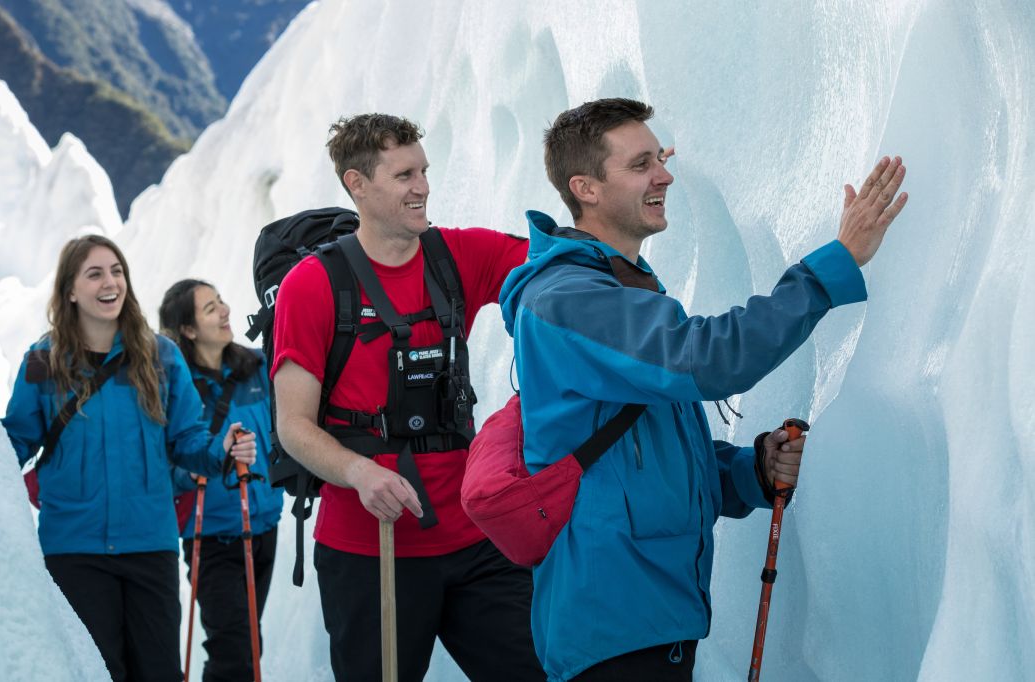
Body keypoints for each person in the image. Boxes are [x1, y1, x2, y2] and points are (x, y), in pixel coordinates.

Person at [500, 98, 907, 681]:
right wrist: (833, 267)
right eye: (641, 164)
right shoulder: (572, 302)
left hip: (648, 618)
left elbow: (640, 462)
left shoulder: (618, 291)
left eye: (659, 158)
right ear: (585, 188)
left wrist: (749, 473)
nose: (664, 174)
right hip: (614, 623)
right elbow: (711, 359)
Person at [271, 113, 544, 680]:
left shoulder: (457, 257)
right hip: (368, 551)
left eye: (423, 170)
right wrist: (360, 473)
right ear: (357, 184)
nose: (422, 186)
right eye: (403, 175)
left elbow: (556, 271)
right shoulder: (313, 285)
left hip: (476, 538)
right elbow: (293, 424)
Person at [1, 235, 257, 682]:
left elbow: (186, 440)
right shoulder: (43, 361)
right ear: (71, 291)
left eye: (116, 271)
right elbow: (14, 443)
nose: (110, 282)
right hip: (74, 551)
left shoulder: (161, 357)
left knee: (158, 672)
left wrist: (221, 448)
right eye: (95, 273)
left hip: (149, 547)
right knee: (98, 672)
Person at [159, 278, 283, 682]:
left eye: (221, 301)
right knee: (236, 649)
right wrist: (190, 470)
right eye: (211, 308)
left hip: (263, 526)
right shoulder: (173, 389)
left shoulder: (257, 367)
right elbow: (165, 465)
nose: (225, 310)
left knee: (246, 643)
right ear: (188, 330)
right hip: (210, 537)